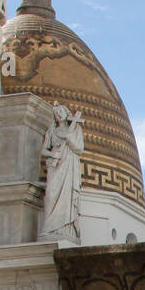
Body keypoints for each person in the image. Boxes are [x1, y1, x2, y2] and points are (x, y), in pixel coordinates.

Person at [41, 103, 84, 241]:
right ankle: (49, 227)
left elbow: (79, 149)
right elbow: (43, 150)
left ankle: (65, 227)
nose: (59, 114)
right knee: (51, 195)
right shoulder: (52, 131)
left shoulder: (75, 128)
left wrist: (69, 138)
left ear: (67, 113)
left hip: (69, 165)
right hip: (55, 166)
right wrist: (53, 155)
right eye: (57, 112)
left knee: (66, 195)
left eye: (61, 111)